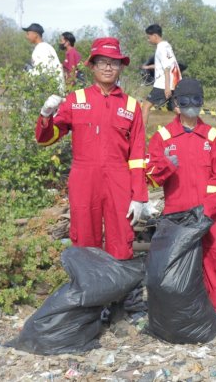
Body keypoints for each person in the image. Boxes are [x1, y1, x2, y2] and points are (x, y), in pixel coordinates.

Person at [145, 78, 216, 338]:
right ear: (176, 106)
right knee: (174, 265)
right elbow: (151, 177)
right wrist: (165, 165)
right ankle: (178, 315)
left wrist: (207, 210)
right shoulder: (162, 137)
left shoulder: (212, 137)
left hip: (207, 215)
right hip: (176, 217)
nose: (191, 106)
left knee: (215, 260)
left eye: (196, 101)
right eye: (185, 101)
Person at [35, 37, 147, 260]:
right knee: (84, 236)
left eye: (114, 62)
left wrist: (139, 196)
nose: (108, 67)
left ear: (120, 68)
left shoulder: (131, 106)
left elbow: (137, 155)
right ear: (93, 66)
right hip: (84, 177)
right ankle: (88, 288)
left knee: (122, 236)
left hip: (119, 179)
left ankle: (118, 289)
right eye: (103, 62)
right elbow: (46, 139)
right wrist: (46, 115)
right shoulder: (76, 100)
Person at [141, 24, 181, 126]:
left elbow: (167, 68)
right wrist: (148, 67)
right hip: (175, 82)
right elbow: (164, 65)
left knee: (145, 107)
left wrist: (167, 87)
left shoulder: (160, 48)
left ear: (155, 36)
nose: (148, 40)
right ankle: (190, 130)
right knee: (177, 109)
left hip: (163, 84)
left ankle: (140, 136)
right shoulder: (167, 46)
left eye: (149, 37)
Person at [23, 22, 65, 91]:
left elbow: (41, 73)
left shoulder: (41, 49)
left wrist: (29, 71)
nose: (27, 37)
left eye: (28, 34)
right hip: (55, 89)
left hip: (49, 92)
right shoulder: (47, 47)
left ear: (35, 35)